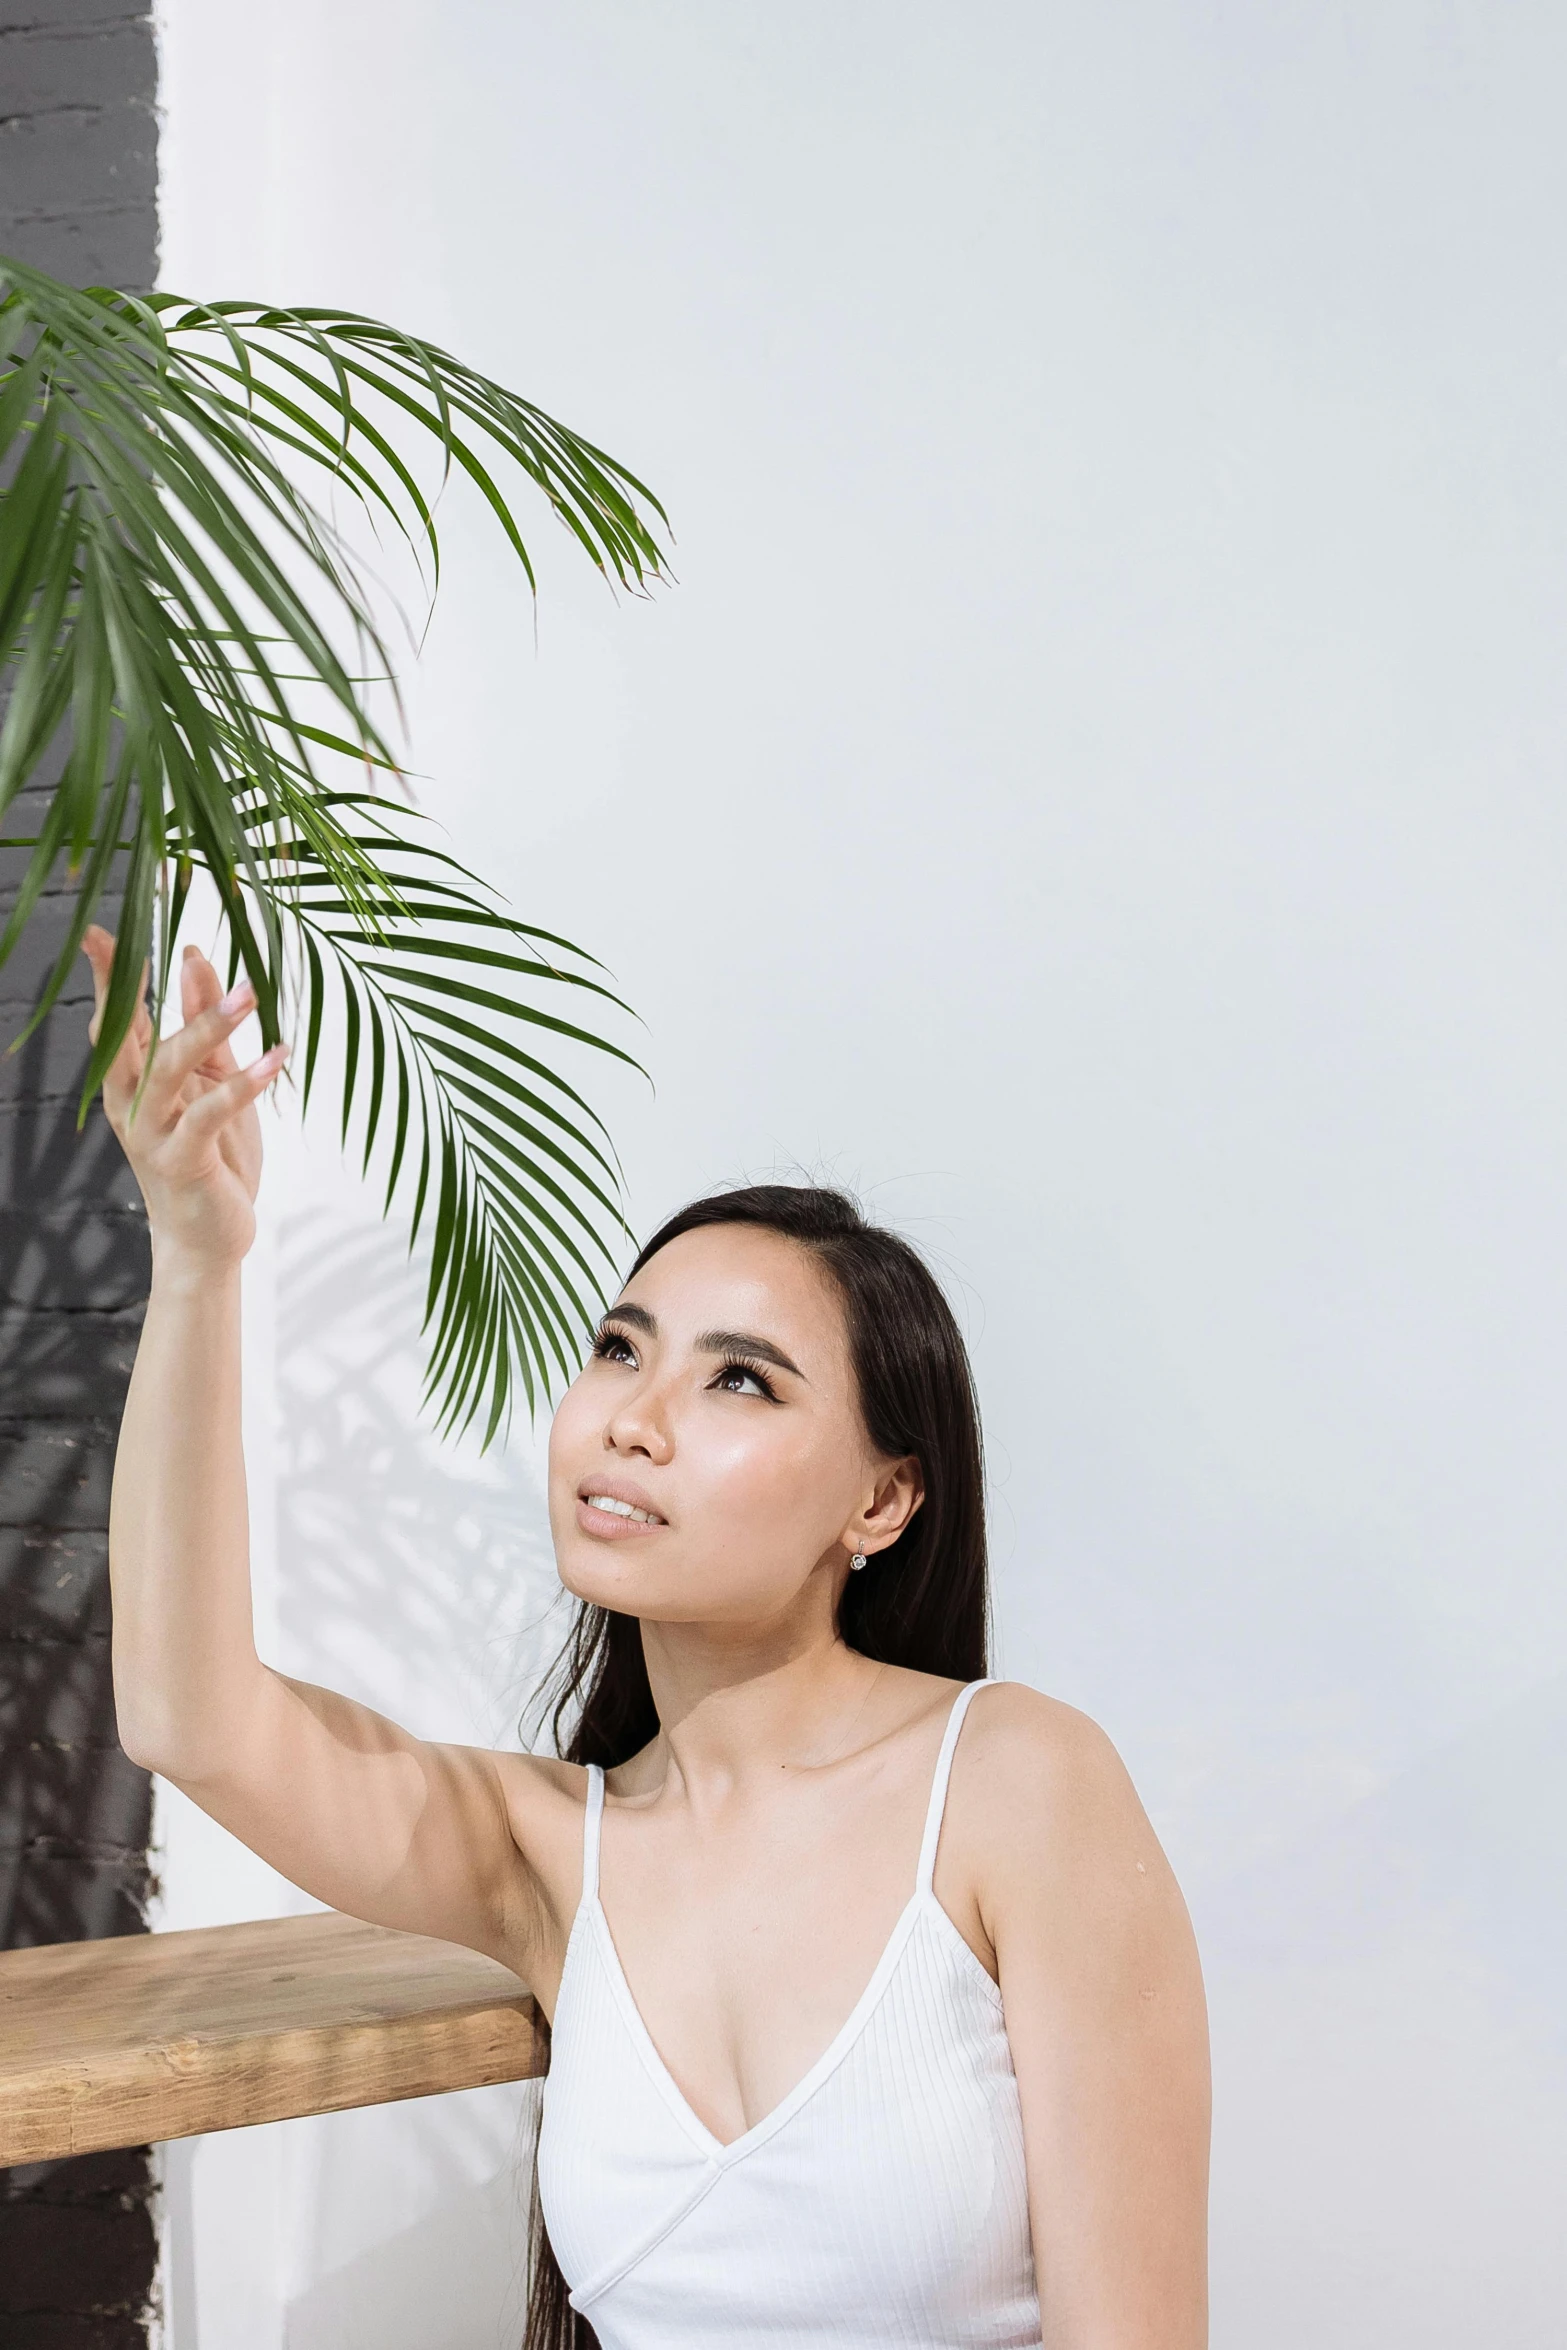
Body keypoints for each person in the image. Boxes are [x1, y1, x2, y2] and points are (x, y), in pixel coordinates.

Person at [85, 927, 1211, 2350]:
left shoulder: (1014, 1783)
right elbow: (192, 1717)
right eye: (621, 1347)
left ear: (879, 1498)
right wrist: (197, 1261)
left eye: (738, 1379)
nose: (633, 1414)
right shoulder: (549, 1852)